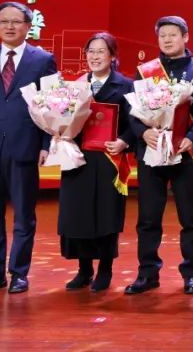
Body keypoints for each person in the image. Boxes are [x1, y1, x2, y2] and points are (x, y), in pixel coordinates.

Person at [0, 1, 57, 295]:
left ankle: (19, 273)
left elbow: (51, 104)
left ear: (28, 26)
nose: (10, 26)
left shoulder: (43, 60)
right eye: (4, 21)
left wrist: (46, 144)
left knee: (24, 216)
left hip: (25, 146)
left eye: (16, 21)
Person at [124, 16, 193, 295]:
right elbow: (133, 110)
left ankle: (191, 274)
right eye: (162, 35)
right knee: (148, 218)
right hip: (152, 151)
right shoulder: (146, 71)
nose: (167, 40)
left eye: (172, 34)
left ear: (185, 37)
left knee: (191, 218)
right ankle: (147, 273)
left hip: (185, 153)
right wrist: (143, 132)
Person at [59, 32, 138, 292]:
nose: (95, 56)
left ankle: (105, 270)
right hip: (78, 158)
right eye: (90, 51)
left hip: (108, 158)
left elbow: (136, 123)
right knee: (78, 214)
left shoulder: (126, 86)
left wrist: (124, 142)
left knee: (106, 214)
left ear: (112, 56)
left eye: (101, 51)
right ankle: (84, 270)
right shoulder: (74, 86)